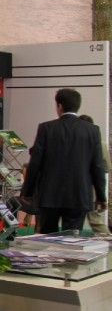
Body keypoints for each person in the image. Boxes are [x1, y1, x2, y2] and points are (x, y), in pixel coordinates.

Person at [23, 89, 106, 234]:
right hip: (79, 195)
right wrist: (101, 196)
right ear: (78, 105)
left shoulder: (46, 128)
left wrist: (28, 192)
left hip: (49, 195)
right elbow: (97, 166)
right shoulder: (92, 130)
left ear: (59, 106)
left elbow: (35, 163)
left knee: (47, 237)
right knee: (72, 238)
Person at [77, 115, 110, 235]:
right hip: (93, 186)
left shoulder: (76, 143)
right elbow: (106, 167)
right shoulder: (101, 144)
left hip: (82, 186)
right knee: (94, 219)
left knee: (89, 218)